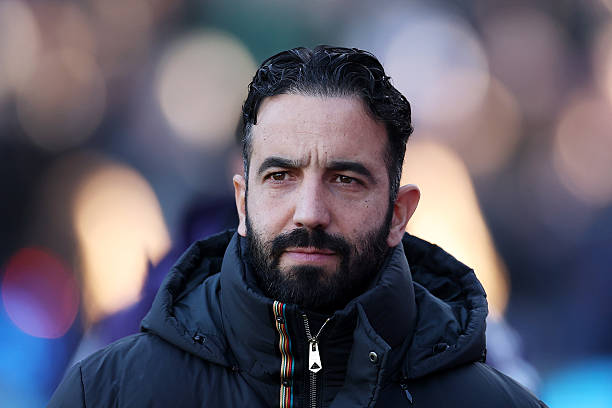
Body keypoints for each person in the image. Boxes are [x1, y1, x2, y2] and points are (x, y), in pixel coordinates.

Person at [48, 45, 548, 407]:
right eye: (281, 177)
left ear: (399, 213)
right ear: (242, 202)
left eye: (345, 180)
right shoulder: (108, 391)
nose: (310, 211)